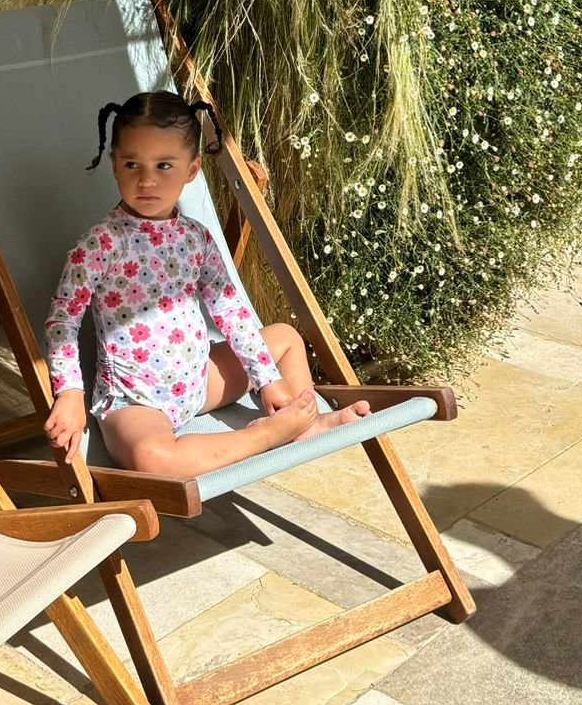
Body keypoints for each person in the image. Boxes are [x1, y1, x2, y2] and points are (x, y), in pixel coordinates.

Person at [43, 90, 370, 475]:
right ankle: (265, 435)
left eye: (164, 165)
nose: (147, 180)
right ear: (115, 165)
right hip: (136, 401)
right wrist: (69, 393)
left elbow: (229, 310)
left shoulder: (196, 238)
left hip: (199, 379)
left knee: (285, 338)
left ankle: (306, 424)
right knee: (152, 458)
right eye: (132, 164)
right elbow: (63, 321)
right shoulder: (100, 245)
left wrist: (266, 378)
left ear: (191, 169)